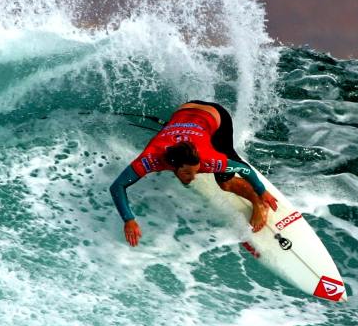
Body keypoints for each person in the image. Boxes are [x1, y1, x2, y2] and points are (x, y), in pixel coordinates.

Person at [109, 100, 278, 246]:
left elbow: (245, 169)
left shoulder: (208, 159)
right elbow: (117, 186)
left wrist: (261, 191)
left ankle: (257, 202)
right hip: (186, 110)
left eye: (196, 171)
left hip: (216, 117)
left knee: (225, 183)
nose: (195, 176)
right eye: (189, 173)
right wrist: (128, 219)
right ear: (174, 166)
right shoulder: (151, 158)